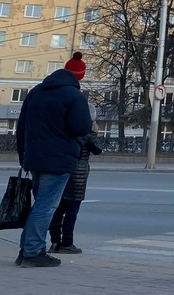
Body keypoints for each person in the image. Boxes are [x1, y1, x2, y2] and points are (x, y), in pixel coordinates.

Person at [15, 52, 93, 268]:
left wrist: (24, 156)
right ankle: (32, 253)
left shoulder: (35, 92)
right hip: (59, 159)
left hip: (34, 158)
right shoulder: (75, 97)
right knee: (46, 206)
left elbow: (21, 127)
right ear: (80, 76)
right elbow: (81, 128)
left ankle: (28, 250)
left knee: (39, 203)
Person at [49, 105, 103, 254]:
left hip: (62, 170)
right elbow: (98, 150)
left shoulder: (66, 128)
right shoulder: (87, 132)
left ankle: (55, 243)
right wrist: (94, 132)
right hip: (78, 176)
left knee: (58, 209)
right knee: (72, 211)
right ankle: (67, 243)